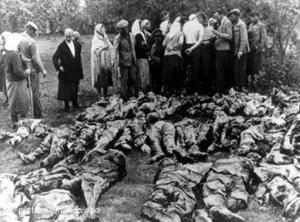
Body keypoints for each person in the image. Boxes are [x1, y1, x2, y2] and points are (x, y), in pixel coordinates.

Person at [19, 22, 47, 118]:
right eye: (34, 31)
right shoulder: (31, 41)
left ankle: (24, 114)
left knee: (23, 92)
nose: (34, 33)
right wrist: (43, 70)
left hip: (21, 70)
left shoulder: (18, 38)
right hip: (32, 70)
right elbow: (35, 59)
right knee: (35, 93)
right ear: (29, 29)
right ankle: (38, 113)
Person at [1, 32, 30, 125]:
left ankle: (14, 119)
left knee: (12, 98)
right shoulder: (14, 54)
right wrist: (26, 73)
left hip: (9, 79)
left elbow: (4, 64)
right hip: (17, 81)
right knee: (20, 99)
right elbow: (17, 71)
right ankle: (21, 120)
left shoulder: (5, 52)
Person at [52, 28, 84, 111]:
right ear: (64, 36)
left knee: (75, 86)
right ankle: (66, 106)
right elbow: (54, 58)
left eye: (69, 37)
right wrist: (59, 67)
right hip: (66, 70)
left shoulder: (77, 45)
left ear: (72, 36)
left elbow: (78, 58)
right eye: (66, 37)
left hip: (76, 69)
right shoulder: (61, 46)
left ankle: (75, 103)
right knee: (66, 88)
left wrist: (80, 69)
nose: (68, 38)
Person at [112, 19, 137, 100]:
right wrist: (113, 60)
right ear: (120, 29)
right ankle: (125, 97)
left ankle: (132, 96)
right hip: (123, 62)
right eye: (123, 28)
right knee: (124, 80)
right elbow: (114, 50)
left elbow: (133, 47)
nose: (126, 30)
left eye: (126, 28)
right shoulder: (117, 38)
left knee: (132, 79)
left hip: (132, 60)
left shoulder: (132, 35)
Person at [212, 9, 233, 94]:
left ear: (221, 15)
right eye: (215, 17)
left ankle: (222, 90)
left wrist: (217, 34)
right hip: (219, 49)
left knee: (222, 70)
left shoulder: (227, 22)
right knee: (219, 70)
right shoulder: (219, 22)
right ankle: (220, 89)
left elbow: (229, 36)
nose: (216, 19)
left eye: (217, 17)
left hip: (224, 50)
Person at [183, 12, 205, 94]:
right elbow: (200, 40)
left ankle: (186, 89)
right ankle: (193, 89)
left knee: (186, 69)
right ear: (200, 18)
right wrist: (192, 48)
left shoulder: (186, 24)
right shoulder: (200, 26)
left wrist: (186, 48)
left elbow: (183, 36)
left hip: (185, 46)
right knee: (195, 69)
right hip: (195, 47)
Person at [228, 9, 250, 90]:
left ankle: (242, 87)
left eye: (232, 16)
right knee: (237, 69)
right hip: (237, 51)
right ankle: (238, 86)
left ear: (237, 16)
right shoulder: (235, 25)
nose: (231, 18)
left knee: (241, 69)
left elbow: (244, 39)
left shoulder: (241, 25)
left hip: (242, 51)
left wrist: (240, 51)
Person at [162, 17, 184, 93]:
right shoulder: (180, 33)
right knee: (176, 72)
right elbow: (181, 43)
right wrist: (173, 47)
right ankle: (176, 89)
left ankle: (167, 89)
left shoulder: (168, 34)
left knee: (167, 72)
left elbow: (163, 44)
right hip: (176, 54)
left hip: (167, 55)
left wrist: (168, 47)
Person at [91, 24, 113, 98]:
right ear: (99, 30)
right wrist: (104, 48)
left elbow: (110, 45)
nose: (104, 30)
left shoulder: (104, 36)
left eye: (104, 28)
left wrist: (107, 46)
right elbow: (95, 50)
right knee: (99, 76)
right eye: (102, 29)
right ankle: (99, 95)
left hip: (105, 59)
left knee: (106, 75)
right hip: (98, 60)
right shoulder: (95, 38)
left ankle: (105, 94)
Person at [247, 12, 268, 84]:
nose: (252, 18)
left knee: (256, 66)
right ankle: (251, 81)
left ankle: (256, 82)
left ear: (257, 17)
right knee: (250, 65)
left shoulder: (261, 26)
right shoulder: (250, 25)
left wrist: (260, 48)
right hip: (250, 48)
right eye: (251, 17)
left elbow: (264, 38)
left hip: (257, 49)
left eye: (254, 16)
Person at [135, 19, 152, 92]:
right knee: (142, 73)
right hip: (141, 56)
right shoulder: (138, 35)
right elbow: (141, 46)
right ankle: (142, 89)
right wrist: (147, 49)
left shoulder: (143, 34)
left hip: (144, 56)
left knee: (145, 73)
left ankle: (145, 88)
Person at [201, 18, 217, 93]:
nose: (205, 23)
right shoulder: (200, 29)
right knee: (203, 66)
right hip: (201, 47)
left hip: (208, 48)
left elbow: (213, 38)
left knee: (208, 65)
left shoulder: (210, 29)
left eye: (206, 21)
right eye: (204, 21)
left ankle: (209, 85)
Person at [150, 29, 164, 93]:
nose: (157, 39)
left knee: (160, 78)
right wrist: (156, 59)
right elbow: (151, 55)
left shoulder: (163, 45)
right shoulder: (154, 46)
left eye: (159, 37)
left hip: (161, 64)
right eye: (156, 38)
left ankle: (159, 90)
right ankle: (155, 91)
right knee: (155, 78)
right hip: (155, 64)